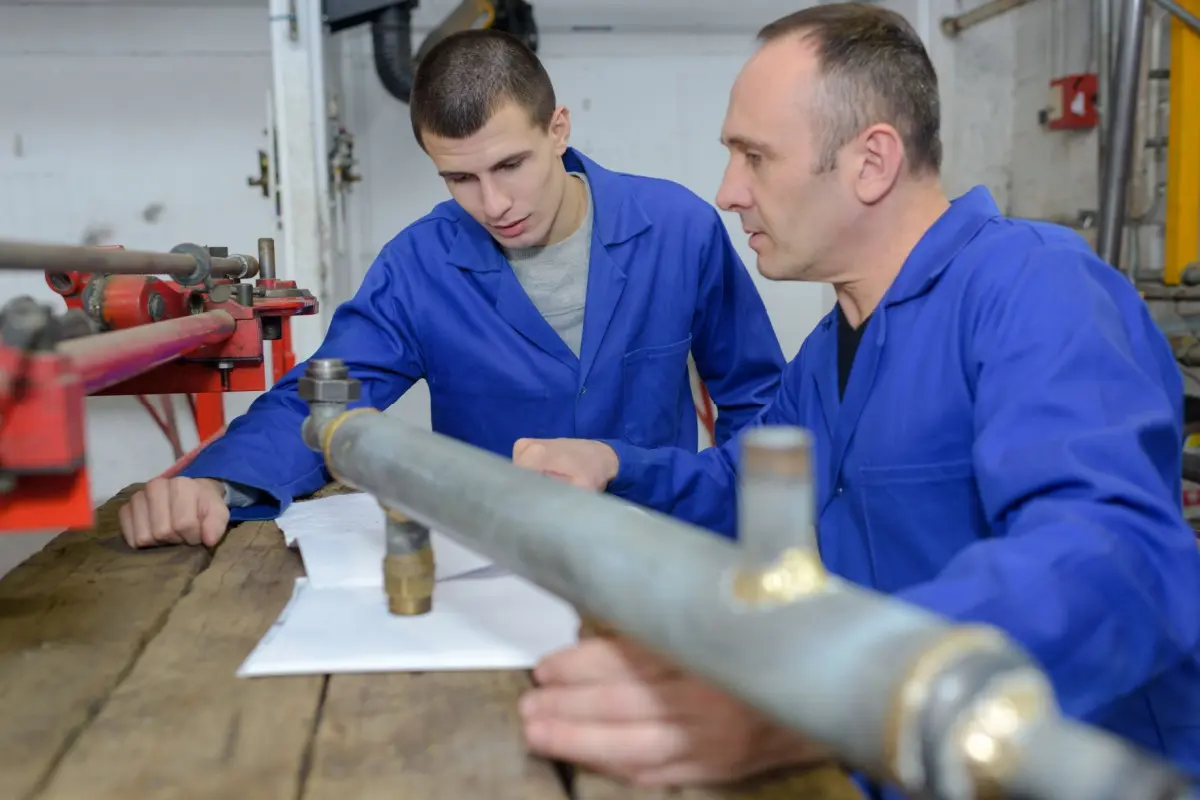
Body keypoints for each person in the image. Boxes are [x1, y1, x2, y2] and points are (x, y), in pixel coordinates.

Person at [511, 3, 1200, 791]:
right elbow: (748, 485)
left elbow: (1112, 559)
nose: (729, 191)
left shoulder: (1034, 289)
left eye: (754, 156)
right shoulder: (832, 345)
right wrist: (611, 468)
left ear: (871, 162)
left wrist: (827, 689)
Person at [116, 29, 784, 548]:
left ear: (557, 128)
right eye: (459, 179)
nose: (493, 203)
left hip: (658, 552)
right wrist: (216, 485)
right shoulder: (418, 266)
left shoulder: (678, 229)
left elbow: (755, 399)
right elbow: (322, 399)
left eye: (510, 165)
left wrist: (743, 525)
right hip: (493, 566)